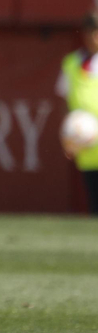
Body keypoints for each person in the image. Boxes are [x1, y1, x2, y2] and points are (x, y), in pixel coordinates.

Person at [58, 11, 98, 215]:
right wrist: (67, 133)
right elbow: (64, 100)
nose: (94, 38)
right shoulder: (72, 63)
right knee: (93, 202)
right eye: (92, 32)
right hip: (86, 147)